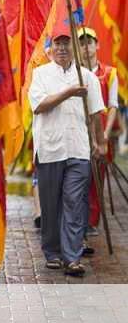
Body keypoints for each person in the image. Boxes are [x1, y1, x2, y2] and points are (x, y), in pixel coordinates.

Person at [29, 26, 106, 277]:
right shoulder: (40, 74)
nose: (62, 48)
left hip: (79, 149)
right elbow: (39, 106)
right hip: (50, 149)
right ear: (50, 49)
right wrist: (68, 93)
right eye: (58, 44)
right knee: (51, 205)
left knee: (75, 202)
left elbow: (95, 114)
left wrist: (99, 142)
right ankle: (52, 252)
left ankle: (72, 257)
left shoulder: (88, 78)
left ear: (74, 47)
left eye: (67, 43)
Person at [79, 27, 118, 239]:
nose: (86, 48)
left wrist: (103, 135)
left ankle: (92, 220)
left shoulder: (109, 73)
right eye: (82, 43)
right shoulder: (75, 73)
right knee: (78, 177)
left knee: (97, 178)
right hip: (79, 131)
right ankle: (77, 220)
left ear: (97, 45)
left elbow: (113, 106)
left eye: (90, 42)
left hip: (101, 128)